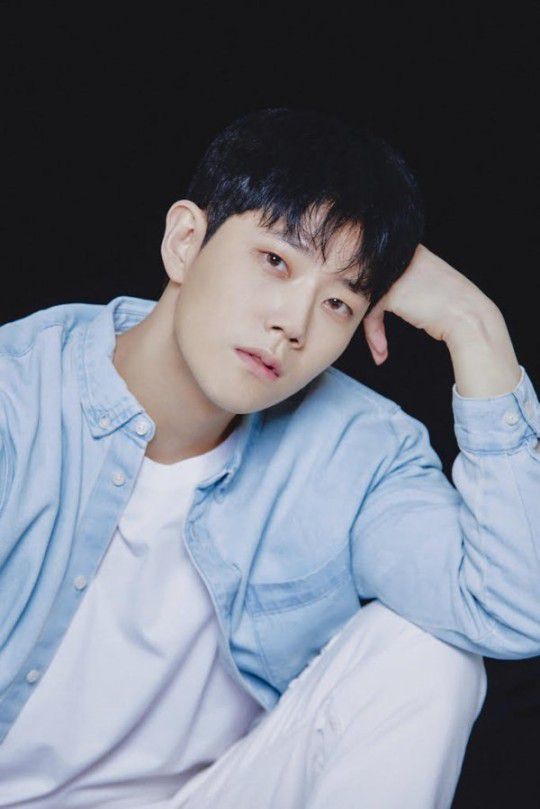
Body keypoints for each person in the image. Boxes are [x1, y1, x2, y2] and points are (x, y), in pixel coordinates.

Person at [0, 107, 538, 808]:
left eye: (339, 303)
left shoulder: (358, 450)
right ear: (186, 242)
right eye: (276, 261)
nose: (294, 323)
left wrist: (475, 326)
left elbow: (513, 609)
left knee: (434, 653)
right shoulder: (19, 398)